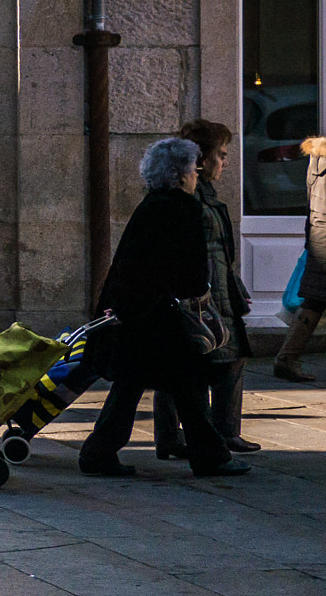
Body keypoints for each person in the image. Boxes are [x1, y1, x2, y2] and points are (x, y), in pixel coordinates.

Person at [79, 138, 251, 478]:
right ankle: (210, 456)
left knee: (135, 386)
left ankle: (99, 453)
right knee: (185, 385)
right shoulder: (182, 208)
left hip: (139, 313)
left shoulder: (152, 205)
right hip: (161, 317)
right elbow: (189, 270)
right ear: (179, 174)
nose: (196, 176)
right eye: (192, 169)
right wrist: (199, 299)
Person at [153, 120, 259, 456]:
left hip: (217, 293)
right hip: (201, 297)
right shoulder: (188, 198)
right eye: (221, 155)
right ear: (200, 159)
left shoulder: (206, 195)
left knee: (212, 363)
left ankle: (192, 436)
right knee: (196, 366)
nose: (224, 162)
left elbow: (220, 252)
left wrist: (235, 285)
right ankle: (209, 435)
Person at [274, 135, 326, 382]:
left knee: (314, 301)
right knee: (314, 301)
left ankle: (286, 358)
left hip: (319, 237)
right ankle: (286, 359)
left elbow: (310, 202)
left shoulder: (317, 158)